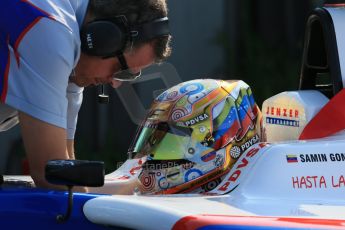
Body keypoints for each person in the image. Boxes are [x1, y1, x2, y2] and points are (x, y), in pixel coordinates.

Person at [0, 0, 171, 191]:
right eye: (120, 69)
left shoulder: (73, 56)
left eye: (129, 75)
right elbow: (50, 173)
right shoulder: (52, 33)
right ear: (102, 37)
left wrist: (140, 188)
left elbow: (67, 168)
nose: (115, 83)